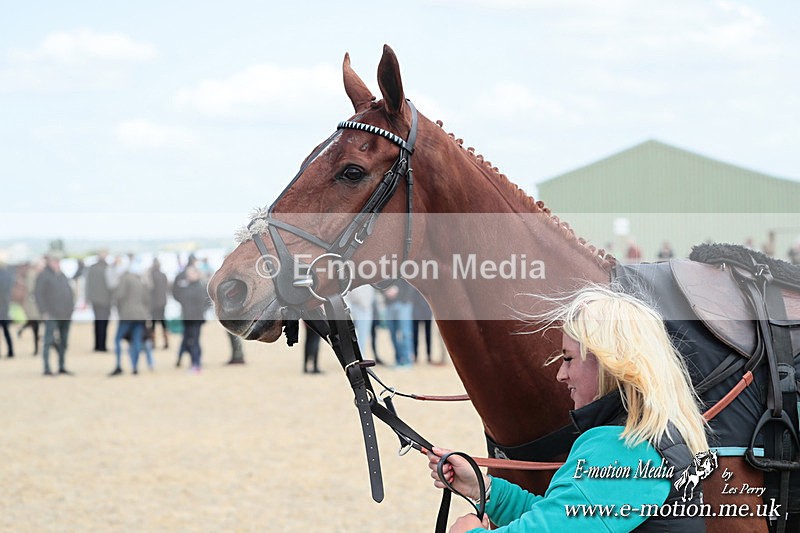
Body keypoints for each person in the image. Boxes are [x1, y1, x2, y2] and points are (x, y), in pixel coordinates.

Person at [427, 286, 710, 532]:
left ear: (608, 362)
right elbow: (559, 517)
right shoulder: (644, 436)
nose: (561, 375)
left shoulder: (625, 449)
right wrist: (483, 488)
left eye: (568, 359)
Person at [34, 251, 75, 376]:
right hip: (52, 313)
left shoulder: (62, 275)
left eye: (58, 261)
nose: (57, 263)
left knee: (64, 341)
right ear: (50, 262)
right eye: (55, 261)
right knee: (48, 341)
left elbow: (69, 292)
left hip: (65, 314)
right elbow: (38, 295)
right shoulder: (44, 276)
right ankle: (47, 367)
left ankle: (61, 366)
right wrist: (44, 311)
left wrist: (71, 309)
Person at [109, 264, 152, 376]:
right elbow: (147, 300)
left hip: (127, 314)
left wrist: (119, 310)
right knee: (136, 340)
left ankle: (118, 365)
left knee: (117, 339)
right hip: (141, 315)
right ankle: (135, 367)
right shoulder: (141, 281)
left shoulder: (125, 279)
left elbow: (118, 296)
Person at [173, 265, 209, 373]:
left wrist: (199, 313)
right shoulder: (186, 286)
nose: (188, 276)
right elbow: (177, 294)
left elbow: (204, 303)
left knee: (194, 341)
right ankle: (194, 362)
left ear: (197, 274)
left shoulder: (200, 287)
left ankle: (196, 364)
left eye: (190, 274)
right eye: (187, 274)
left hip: (195, 319)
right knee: (189, 341)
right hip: (187, 318)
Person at [85, 250, 113, 352]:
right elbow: (111, 285)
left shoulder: (92, 268)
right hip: (105, 300)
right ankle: (102, 346)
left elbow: (88, 284)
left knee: (97, 322)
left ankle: (98, 345)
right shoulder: (108, 267)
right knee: (103, 323)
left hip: (96, 300)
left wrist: (88, 297)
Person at [383, 279, 415, 367]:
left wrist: (399, 292)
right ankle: (398, 360)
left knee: (405, 333)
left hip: (404, 303)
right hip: (389, 304)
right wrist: (385, 291)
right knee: (393, 334)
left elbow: (412, 284)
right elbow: (379, 283)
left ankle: (407, 361)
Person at [149, 258, 169, 350]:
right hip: (162, 302)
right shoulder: (163, 275)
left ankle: (153, 342)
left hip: (154, 303)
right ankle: (166, 342)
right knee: (163, 322)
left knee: (153, 323)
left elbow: (149, 288)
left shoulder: (151, 275)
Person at [0, 257, 14, 358]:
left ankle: (10, 351)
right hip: (5, 306)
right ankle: (10, 351)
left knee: (5, 330)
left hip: (3, 306)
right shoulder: (8, 275)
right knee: (6, 330)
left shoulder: (4, 275)